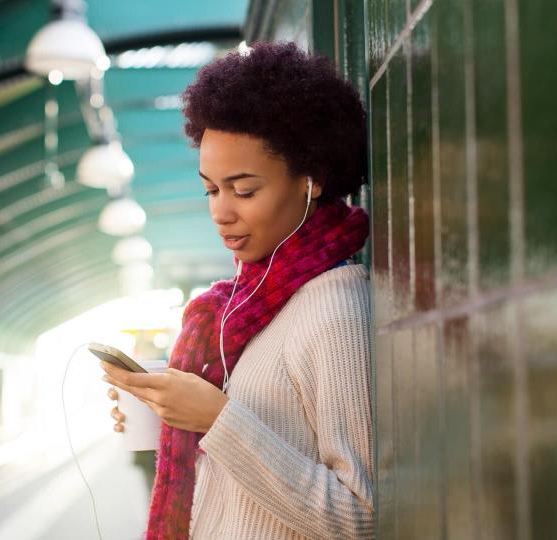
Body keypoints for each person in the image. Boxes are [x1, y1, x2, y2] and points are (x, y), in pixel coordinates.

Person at [100, 41, 374, 540]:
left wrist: (215, 418)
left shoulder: (336, 307)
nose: (221, 212)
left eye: (244, 190)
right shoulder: (248, 305)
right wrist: (170, 416)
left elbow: (362, 516)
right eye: (211, 189)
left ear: (310, 181)